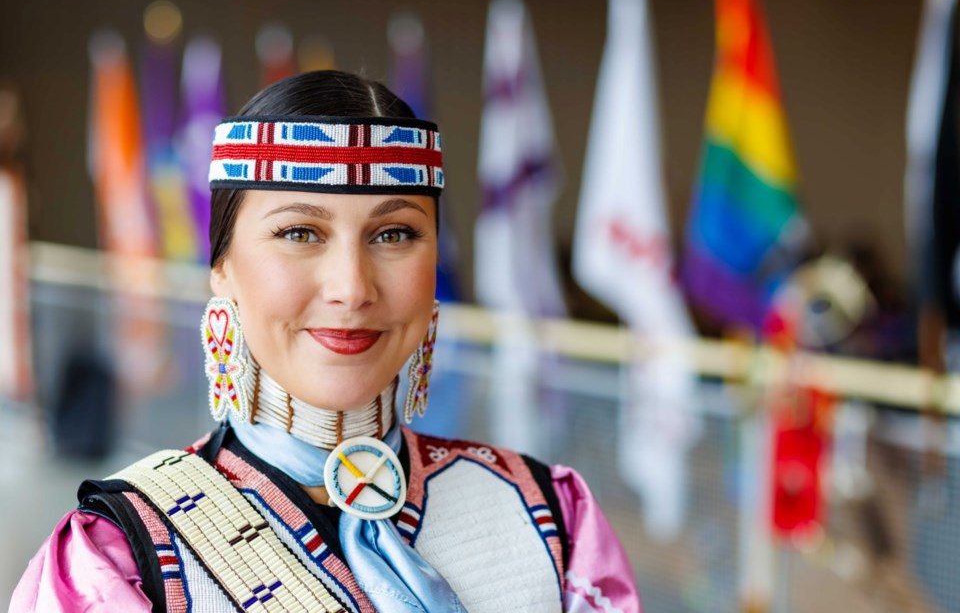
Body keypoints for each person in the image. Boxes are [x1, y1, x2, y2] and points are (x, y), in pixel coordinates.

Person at [10, 70, 641, 613]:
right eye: (299, 233)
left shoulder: (551, 520)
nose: (351, 287)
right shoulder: (118, 557)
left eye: (394, 234)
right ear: (222, 267)